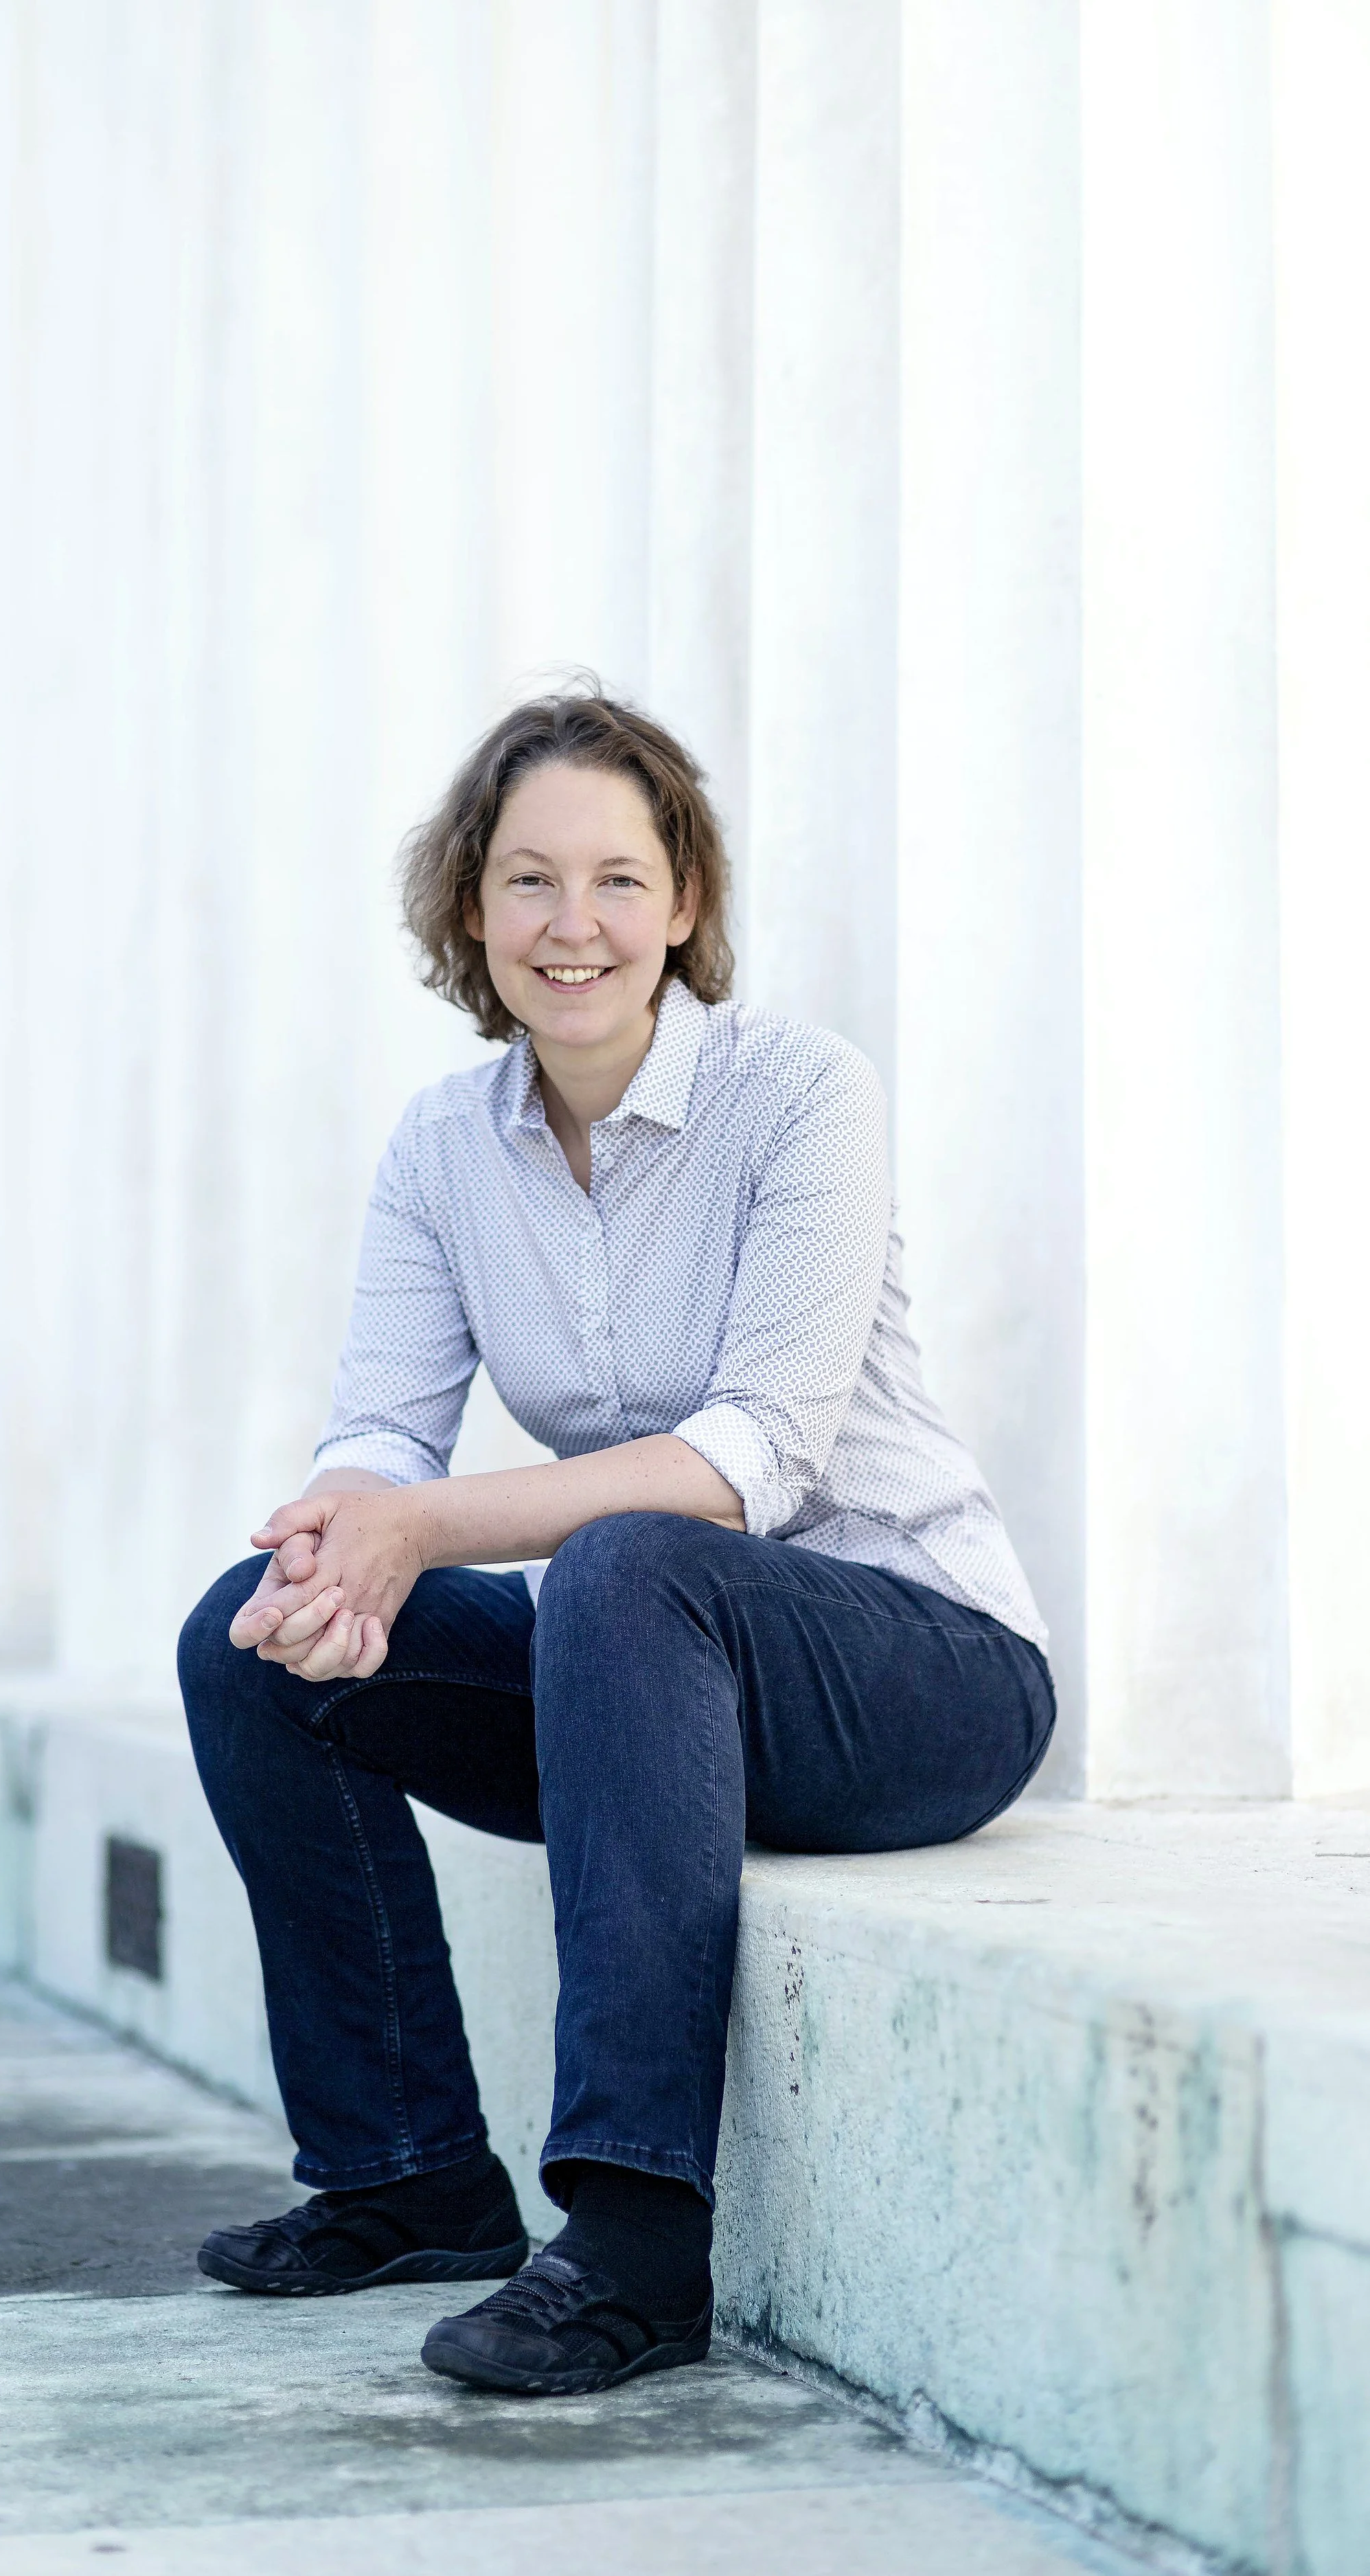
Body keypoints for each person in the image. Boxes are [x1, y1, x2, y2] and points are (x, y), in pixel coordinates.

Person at [177, 689, 1053, 2399]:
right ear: (470, 911)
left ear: (684, 906)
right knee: (248, 1638)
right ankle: (404, 2170)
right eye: (525, 881)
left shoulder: (798, 1095)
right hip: (640, 1688)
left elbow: (751, 1464)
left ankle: (637, 2244)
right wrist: (334, 1557)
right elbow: (379, 1435)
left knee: (628, 1557)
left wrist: (420, 1526)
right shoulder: (445, 1144)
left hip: (912, 1677)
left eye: (614, 880)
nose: (569, 925)